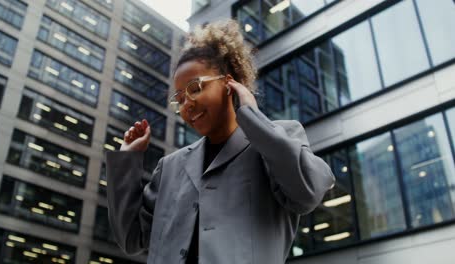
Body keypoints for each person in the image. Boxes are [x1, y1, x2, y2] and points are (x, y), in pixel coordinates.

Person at [106, 19, 335, 264]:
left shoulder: (279, 137)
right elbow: (131, 239)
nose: (187, 104)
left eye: (195, 88)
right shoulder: (169, 167)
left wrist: (252, 117)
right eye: (179, 99)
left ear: (229, 84)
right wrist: (127, 161)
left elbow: (308, 192)